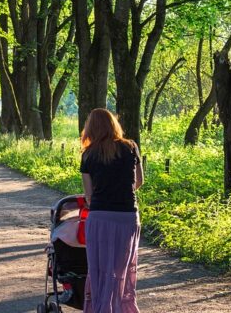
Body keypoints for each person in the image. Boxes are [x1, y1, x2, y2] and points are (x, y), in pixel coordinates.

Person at [80, 108, 144, 313]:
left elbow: (89, 196)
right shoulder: (131, 147)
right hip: (127, 215)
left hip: (100, 217)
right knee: (121, 267)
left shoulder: (88, 154)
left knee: (100, 269)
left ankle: (102, 308)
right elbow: (139, 182)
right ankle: (121, 308)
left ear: (90, 128)